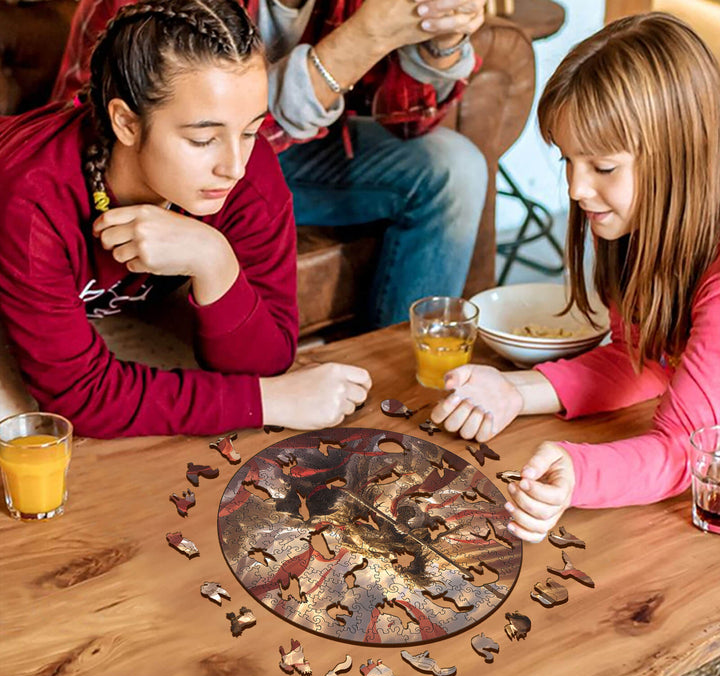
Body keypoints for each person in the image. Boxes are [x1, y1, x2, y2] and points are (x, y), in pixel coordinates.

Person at [0, 0, 370, 438]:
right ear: (126, 123)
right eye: (203, 139)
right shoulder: (33, 199)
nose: (234, 165)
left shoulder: (247, 169)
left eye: (250, 130)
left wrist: (214, 260)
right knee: (23, 433)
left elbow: (268, 359)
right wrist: (271, 400)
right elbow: (83, 398)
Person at [430, 12, 720, 542]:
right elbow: (644, 358)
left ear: (682, 157)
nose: (575, 188)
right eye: (568, 160)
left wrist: (578, 472)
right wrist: (515, 391)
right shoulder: (642, 231)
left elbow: (688, 448)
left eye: (603, 167)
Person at [51, 0, 489, 328]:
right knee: (226, 149)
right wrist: (362, 39)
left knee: (454, 167)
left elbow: (411, 123)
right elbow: (108, 136)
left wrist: (440, 41)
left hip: (287, 148)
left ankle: (403, 375)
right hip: (152, 164)